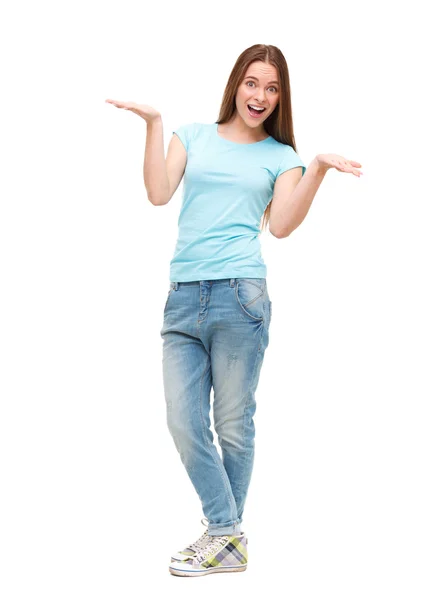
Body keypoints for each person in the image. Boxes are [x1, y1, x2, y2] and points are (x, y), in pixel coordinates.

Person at [105, 43, 362, 578]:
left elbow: (284, 225)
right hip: (182, 295)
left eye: (272, 88)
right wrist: (153, 123)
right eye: (253, 83)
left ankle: (222, 541)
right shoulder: (191, 135)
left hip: (241, 297)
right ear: (236, 84)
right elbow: (157, 192)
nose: (261, 96)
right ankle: (227, 535)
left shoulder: (279, 156)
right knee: (182, 420)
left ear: (280, 96)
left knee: (233, 424)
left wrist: (315, 168)